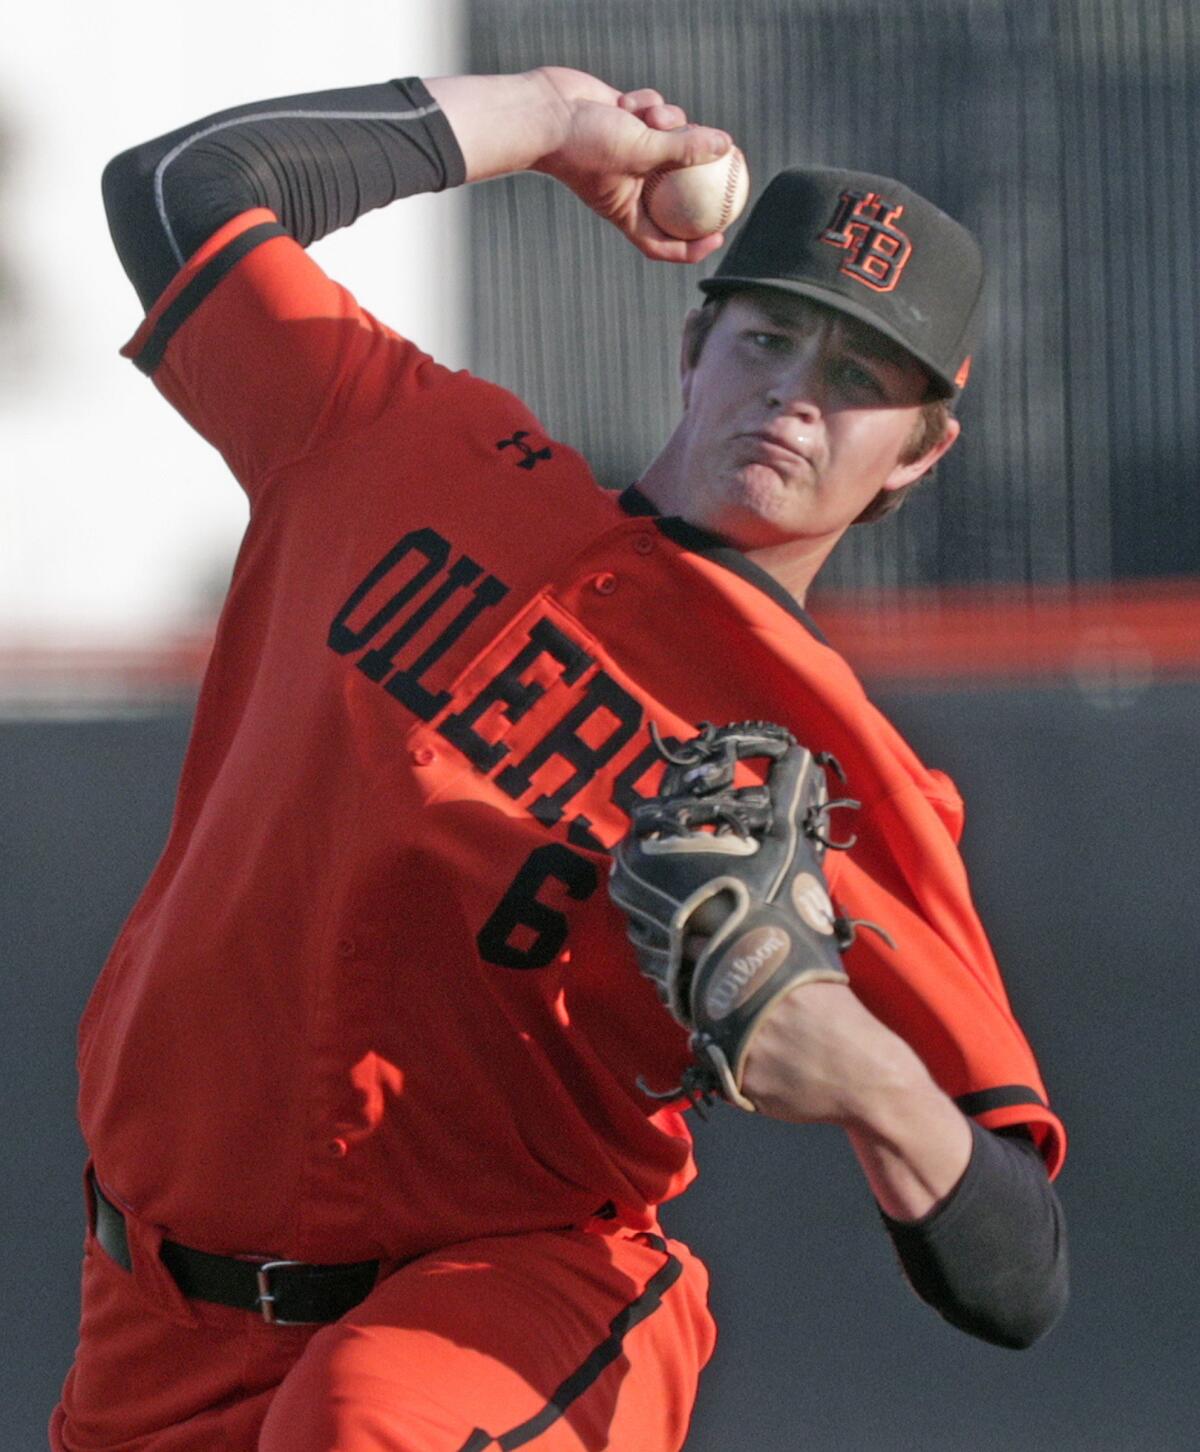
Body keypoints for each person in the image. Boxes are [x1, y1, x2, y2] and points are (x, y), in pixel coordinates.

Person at [56, 66, 1067, 1452]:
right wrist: (541, 122)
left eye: (855, 381)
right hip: (152, 1307)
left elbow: (1016, 1269)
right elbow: (176, 195)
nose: (793, 397)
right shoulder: (402, 447)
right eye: (771, 338)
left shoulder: (849, 779)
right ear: (695, 344)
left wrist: (874, 1080)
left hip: (503, 1300)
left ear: (919, 452)